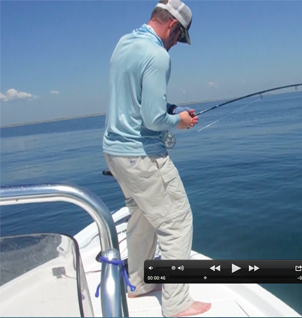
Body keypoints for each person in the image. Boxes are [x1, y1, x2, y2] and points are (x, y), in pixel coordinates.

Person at [102, 0, 211, 316]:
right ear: (174, 27)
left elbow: (135, 101)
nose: (176, 45)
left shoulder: (124, 43)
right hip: (142, 156)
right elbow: (151, 119)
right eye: (179, 38)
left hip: (115, 152)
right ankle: (177, 304)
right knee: (177, 221)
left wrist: (171, 110)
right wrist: (182, 122)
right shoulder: (158, 56)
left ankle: (138, 282)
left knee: (143, 216)